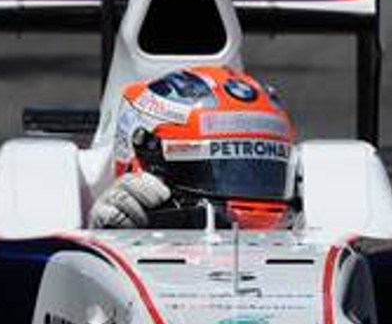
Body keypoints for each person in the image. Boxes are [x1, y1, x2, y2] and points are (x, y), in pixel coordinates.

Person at [89, 65, 297, 230]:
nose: (249, 185)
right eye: (225, 170)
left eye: (263, 173)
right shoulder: (112, 223)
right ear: (145, 157)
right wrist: (109, 238)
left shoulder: (301, 229)